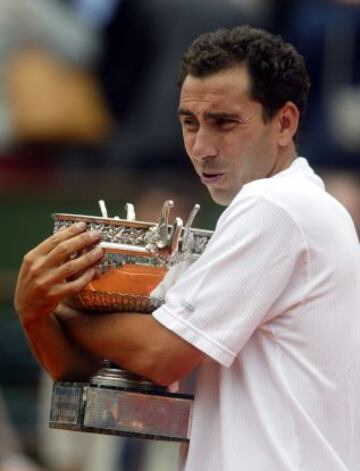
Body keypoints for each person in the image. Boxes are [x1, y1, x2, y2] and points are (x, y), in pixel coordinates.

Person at [14, 25, 360, 470]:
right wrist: (35, 314)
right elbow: (98, 377)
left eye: (224, 122)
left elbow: (161, 355)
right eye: (189, 123)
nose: (201, 147)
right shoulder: (297, 207)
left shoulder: (277, 204)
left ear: (285, 122)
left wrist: (61, 310)